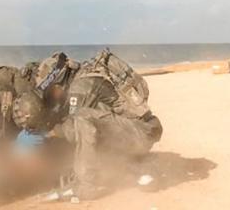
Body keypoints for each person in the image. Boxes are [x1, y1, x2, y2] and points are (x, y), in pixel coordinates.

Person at [48, 49, 163, 201]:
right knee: (93, 127)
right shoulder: (88, 76)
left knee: (81, 119)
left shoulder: (80, 88)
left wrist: (52, 132)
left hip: (139, 133)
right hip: (143, 129)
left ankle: (85, 186)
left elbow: (74, 130)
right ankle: (143, 169)